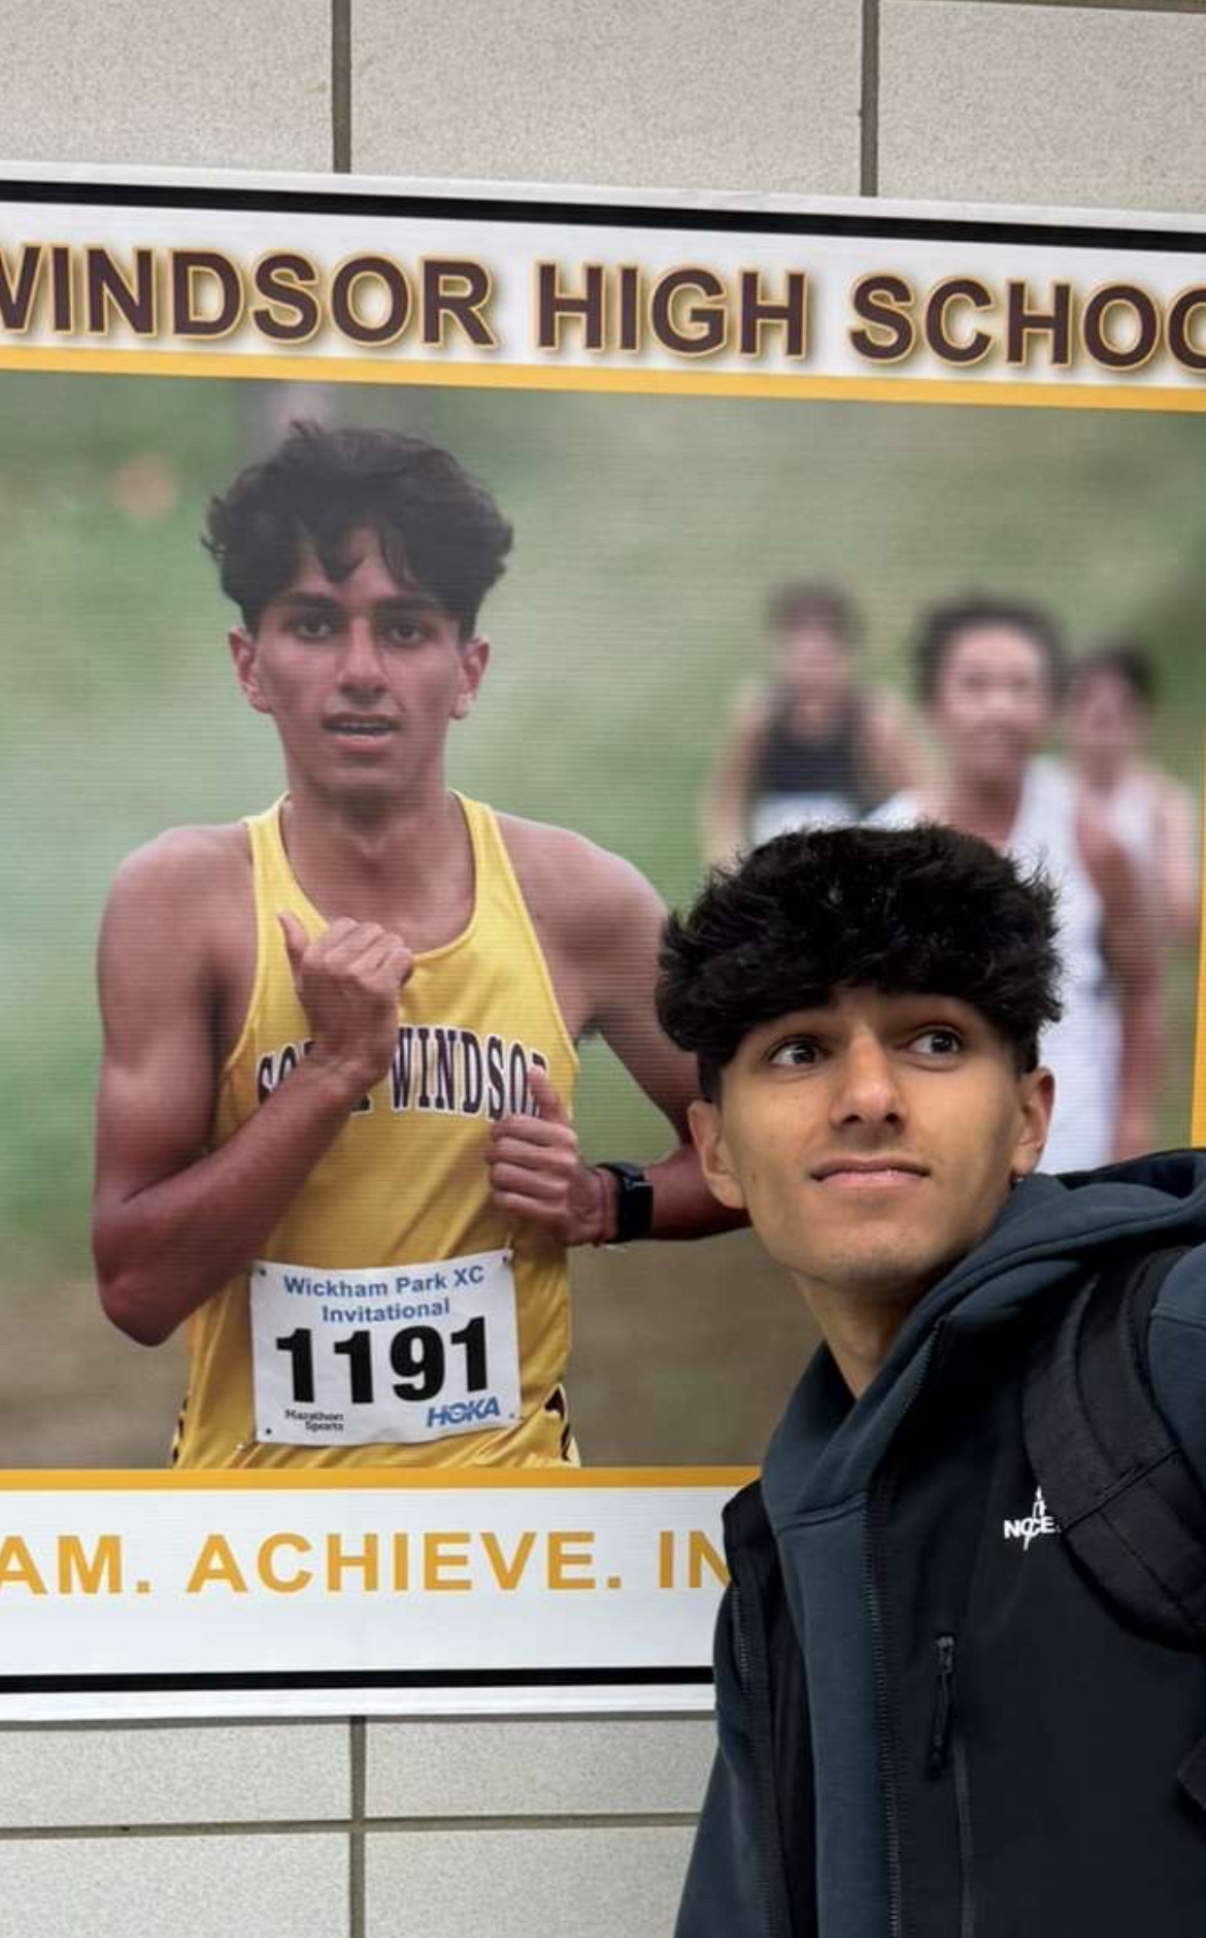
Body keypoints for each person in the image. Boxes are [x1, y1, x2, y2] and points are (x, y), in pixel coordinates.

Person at [621, 822, 1206, 1938]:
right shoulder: (792, 1543)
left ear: (1026, 1115)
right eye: (799, 1048)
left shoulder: (1166, 1347)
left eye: (933, 1042)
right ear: (717, 1151)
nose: (867, 1093)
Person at [92, 421, 734, 1470]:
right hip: (257, 1551)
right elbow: (136, 1291)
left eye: (404, 628)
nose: (359, 671)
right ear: (251, 666)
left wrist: (605, 1201)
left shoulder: (578, 898)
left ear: (466, 669)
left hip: (510, 1545)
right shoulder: (182, 902)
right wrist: (333, 1070)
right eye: (312, 624)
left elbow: (762, 1157)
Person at [870, 596, 1162, 1170]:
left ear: (1051, 707)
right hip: (931, 1149)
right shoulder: (884, 844)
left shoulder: (1092, 840)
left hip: (1071, 1140)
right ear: (933, 702)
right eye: (974, 685)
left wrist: (1130, 1127)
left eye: (1020, 686)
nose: (998, 709)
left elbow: (1144, 990)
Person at [699, 584, 921, 867]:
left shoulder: (874, 721)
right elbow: (723, 802)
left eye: (821, 660)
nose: (812, 673)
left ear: (845, 654)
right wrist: (726, 865)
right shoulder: (760, 718)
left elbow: (917, 802)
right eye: (802, 659)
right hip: (776, 876)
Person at [1063, 640, 1200, 949]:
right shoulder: (1037, 787)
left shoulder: (1165, 805)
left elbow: (1184, 920)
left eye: (1119, 707)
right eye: (1086, 699)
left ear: (1143, 717)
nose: (1101, 713)